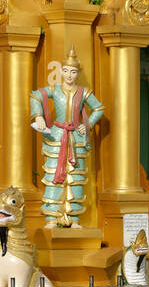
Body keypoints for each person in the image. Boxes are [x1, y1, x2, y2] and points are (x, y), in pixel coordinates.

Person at [29, 47, 105, 228]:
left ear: (78, 73)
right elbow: (35, 96)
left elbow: (99, 108)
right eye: (66, 71)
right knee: (53, 176)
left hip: (76, 140)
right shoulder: (54, 90)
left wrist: (86, 124)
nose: (69, 75)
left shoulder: (83, 92)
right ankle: (51, 218)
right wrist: (38, 116)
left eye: (73, 71)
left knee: (75, 178)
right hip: (56, 137)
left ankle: (74, 218)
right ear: (61, 71)